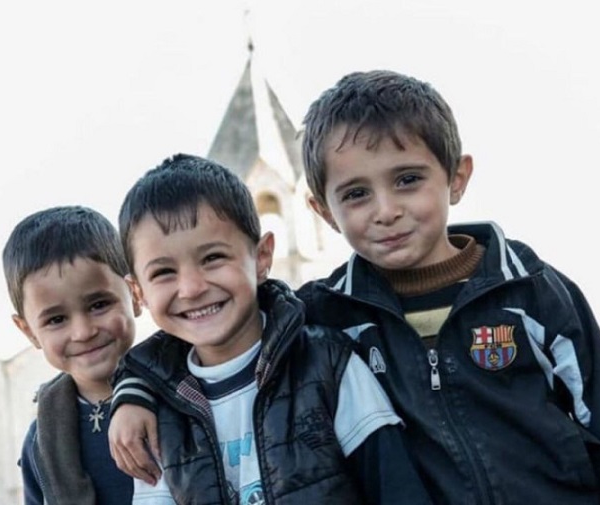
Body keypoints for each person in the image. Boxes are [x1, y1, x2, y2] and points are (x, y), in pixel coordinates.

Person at [111, 71, 600, 504]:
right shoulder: (320, 317)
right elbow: (216, 323)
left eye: (407, 180)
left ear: (456, 177)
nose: (385, 210)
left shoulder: (534, 293)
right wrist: (132, 392)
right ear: (324, 211)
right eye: (356, 194)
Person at [108, 153, 431, 504]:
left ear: (262, 258)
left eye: (213, 258)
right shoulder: (155, 410)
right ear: (138, 292)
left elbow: (395, 487)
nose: (192, 288)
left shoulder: (328, 364)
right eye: (163, 272)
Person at [2, 205, 138, 505]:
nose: (83, 332)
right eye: (56, 319)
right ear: (29, 331)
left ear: (135, 294)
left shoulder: (183, 393)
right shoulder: (42, 442)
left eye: (99, 305)